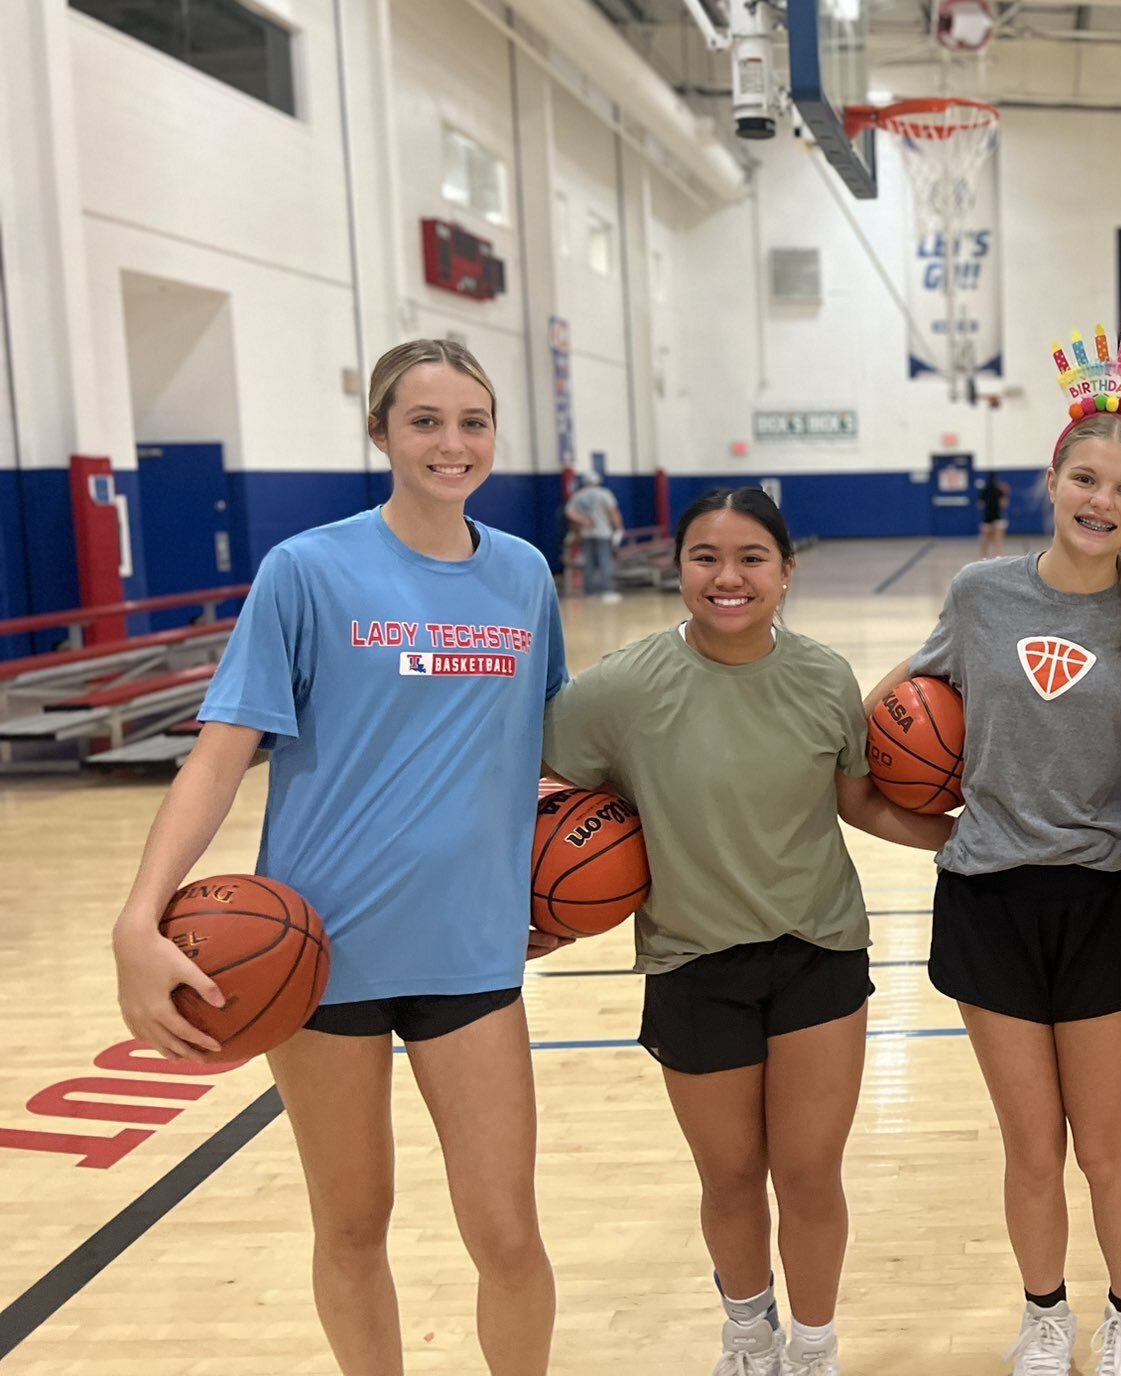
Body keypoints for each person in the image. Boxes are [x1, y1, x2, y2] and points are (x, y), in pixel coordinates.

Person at [112, 338, 568, 1376]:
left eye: (471, 421)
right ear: (379, 433)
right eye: (424, 421)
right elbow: (220, 758)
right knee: (353, 1229)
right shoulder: (307, 571)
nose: (451, 443)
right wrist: (139, 917)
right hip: (320, 959)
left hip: (472, 957)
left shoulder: (522, 574)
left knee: (507, 1236)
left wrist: (549, 876)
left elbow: (534, 750)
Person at [543, 486, 953, 1376]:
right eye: (706, 558)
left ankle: (813, 1346)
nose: (728, 577)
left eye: (750, 559)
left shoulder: (822, 676)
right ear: (679, 567)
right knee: (730, 1178)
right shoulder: (616, 690)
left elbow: (857, 802)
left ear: (785, 572)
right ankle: (747, 1330)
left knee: (809, 1174)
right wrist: (537, 908)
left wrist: (969, 839)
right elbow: (542, 796)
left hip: (819, 950)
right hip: (692, 960)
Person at [865, 328, 1121, 1376]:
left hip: (1102, 900)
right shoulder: (980, 597)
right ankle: (1045, 1315)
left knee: (1103, 1144)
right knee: (1028, 1146)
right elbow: (895, 715)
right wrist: (922, 823)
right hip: (984, 898)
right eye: (1085, 479)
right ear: (1049, 481)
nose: (1102, 501)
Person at [566, 470, 624, 601]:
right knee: (605, 561)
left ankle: (589, 592)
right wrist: (619, 528)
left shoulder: (578, 496)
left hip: (586, 534)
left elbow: (569, 512)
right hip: (603, 533)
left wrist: (583, 520)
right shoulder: (604, 494)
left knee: (589, 563)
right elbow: (613, 512)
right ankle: (607, 590)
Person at [979, 471, 1012, 558]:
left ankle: (984, 557)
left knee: (985, 539)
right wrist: (1006, 494)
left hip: (987, 516)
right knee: (998, 538)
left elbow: (980, 505)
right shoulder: (999, 490)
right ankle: (998, 556)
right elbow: (1004, 504)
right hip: (998, 516)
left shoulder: (984, 490)